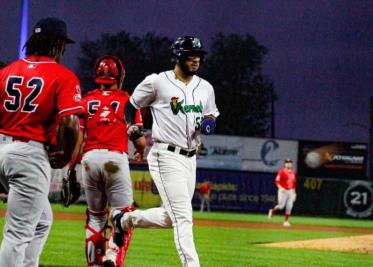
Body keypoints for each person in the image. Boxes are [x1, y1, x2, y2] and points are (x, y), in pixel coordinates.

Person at [111, 36, 219, 267]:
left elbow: (211, 115)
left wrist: (209, 123)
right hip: (165, 154)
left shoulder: (205, 87)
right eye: (190, 55)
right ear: (178, 56)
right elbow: (130, 105)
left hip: (191, 158)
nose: (196, 59)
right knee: (184, 217)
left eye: (198, 55)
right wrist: (131, 125)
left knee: (171, 217)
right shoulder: (158, 82)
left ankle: (124, 221)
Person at [0, 17, 83, 266]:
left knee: (42, 220)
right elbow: (70, 124)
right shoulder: (62, 75)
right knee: (17, 234)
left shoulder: (6, 72)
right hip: (29, 154)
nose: (64, 50)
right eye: (62, 44)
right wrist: (68, 155)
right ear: (56, 45)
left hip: (3, 150)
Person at [67, 55, 146, 267]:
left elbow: (78, 137)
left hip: (89, 159)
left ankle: (93, 264)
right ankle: (112, 254)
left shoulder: (86, 100)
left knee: (95, 217)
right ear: (119, 76)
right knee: (125, 214)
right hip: (115, 159)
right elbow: (137, 137)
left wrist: (71, 168)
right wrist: (141, 150)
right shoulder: (127, 100)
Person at [268, 158, 297, 227]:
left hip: (290, 191)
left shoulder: (293, 172)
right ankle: (272, 210)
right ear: (285, 164)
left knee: (289, 206)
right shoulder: (281, 172)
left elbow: (294, 183)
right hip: (283, 191)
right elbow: (277, 181)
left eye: (290, 162)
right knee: (281, 206)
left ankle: (286, 221)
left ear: (291, 164)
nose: (288, 163)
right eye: (287, 162)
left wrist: (294, 192)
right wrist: (280, 187)